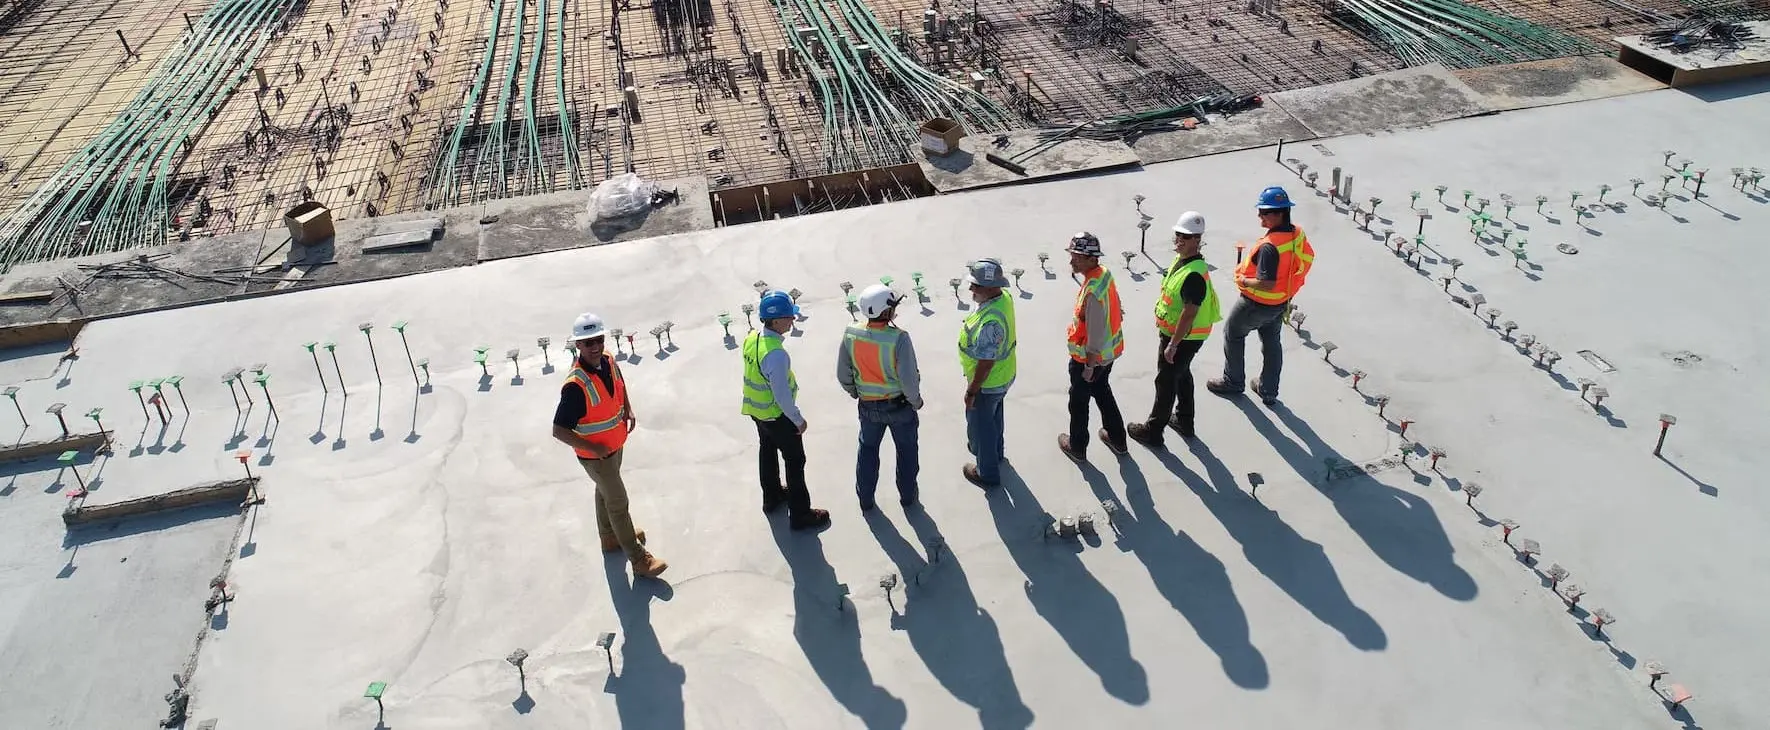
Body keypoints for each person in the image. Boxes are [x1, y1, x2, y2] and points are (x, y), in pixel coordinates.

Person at [551, 312, 668, 578]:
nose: (595, 347)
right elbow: (559, 430)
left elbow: (619, 384)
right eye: (588, 342)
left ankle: (610, 538)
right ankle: (639, 560)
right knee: (618, 501)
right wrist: (595, 450)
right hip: (597, 456)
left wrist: (628, 408)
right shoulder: (575, 386)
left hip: (615, 446)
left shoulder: (608, 360)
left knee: (604, 491)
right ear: (577, 345)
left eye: (598, 340)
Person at [1207, 186, 1315, 406]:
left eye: (1264, 212)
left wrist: (1243, 280)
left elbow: (1266, 283)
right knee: (1272, 342)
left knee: (1233, 334)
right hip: (1281, 301)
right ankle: (1268, 390)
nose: (1260, 216)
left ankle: (1233, 381)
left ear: (1279, 214)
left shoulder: (1269, 247)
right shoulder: (1296, 233)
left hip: (1256, 304)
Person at [1128, 211, 1221, 446]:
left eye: (1185, 237)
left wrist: (1173, 344)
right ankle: (1184, 420)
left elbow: (1189, 313)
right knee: (1182, 374)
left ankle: (1153, 430)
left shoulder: (1194, 275)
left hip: (1182, 338)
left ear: (1197, 240)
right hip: (1180, 335)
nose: (1179, 240)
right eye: (1178, 235)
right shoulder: (1182, 262)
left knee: (1166, 381)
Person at [742, 289, 831, 531]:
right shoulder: (776, 354)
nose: (793, 320)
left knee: (767, 450)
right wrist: (798, 420)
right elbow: (781, 394)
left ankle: (772, 497)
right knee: (795, 460)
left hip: (756, 411)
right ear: (777, 320)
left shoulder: (752, 339)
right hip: (777, 416)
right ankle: (801, 514)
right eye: (789, 316)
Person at [836, 284, 924, 511]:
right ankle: (907, 496)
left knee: (867, 451)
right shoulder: (899, 338)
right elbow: (908, 378)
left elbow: (843, 373)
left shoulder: (851, 333)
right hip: (899, 407)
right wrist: (916, 401)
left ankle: (865, 499)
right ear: (886, 312)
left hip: (867, 406)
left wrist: (854, 391)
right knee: (906, 451)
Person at [1058, 232, 1128, 459]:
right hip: (1108, 355)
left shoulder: (1093, 291)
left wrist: (1089, 365)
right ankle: (1118, 438)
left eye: (1077, 257)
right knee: (1102, 392)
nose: (1072, 261)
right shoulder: (1103, 275)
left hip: (1089, 360)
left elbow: (1095, 331)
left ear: (1091, 259)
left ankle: (1077, 446)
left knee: (1078, 403)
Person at [958, 258, 1017, 488]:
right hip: (1003, 377)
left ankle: (987, 472)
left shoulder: (991, 322)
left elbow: (985, 362)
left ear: (993, 288)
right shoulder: (1003, 298)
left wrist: (972, 391)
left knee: (981, 427)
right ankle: (996, 454)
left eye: (977, 285)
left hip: (988, 383)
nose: (971, 288)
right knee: (993, 417)